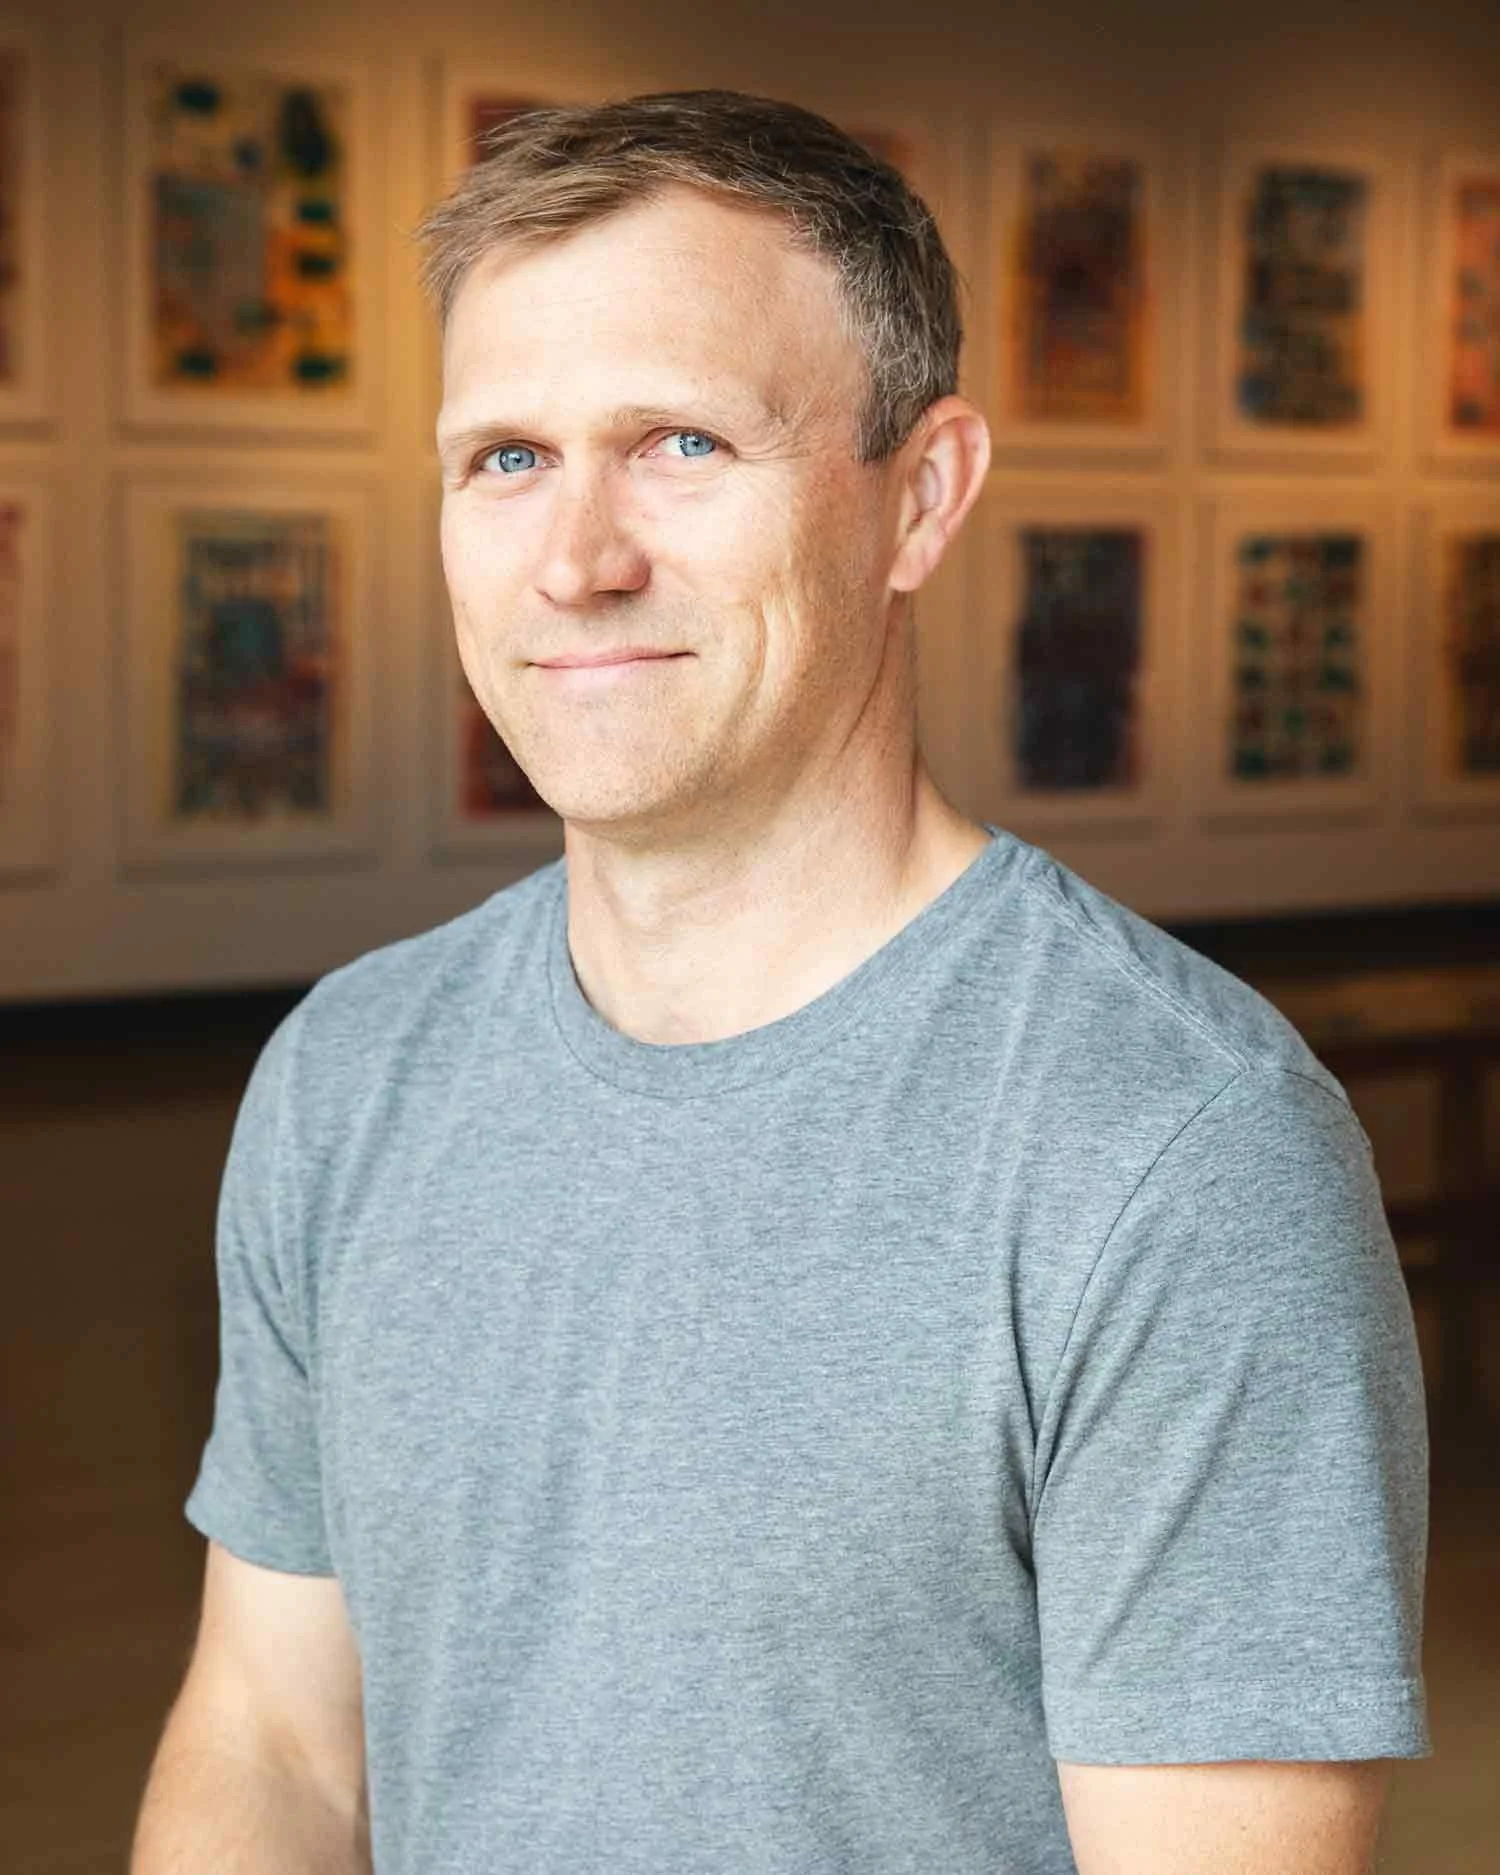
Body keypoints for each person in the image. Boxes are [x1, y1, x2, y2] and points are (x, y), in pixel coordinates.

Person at [131, 90, 1430, 1875]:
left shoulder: (1178, 1151)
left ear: (922, 496)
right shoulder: (350, 1072)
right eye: (506, 456)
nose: (577, 559)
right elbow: (276, 1746)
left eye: (678, 443)